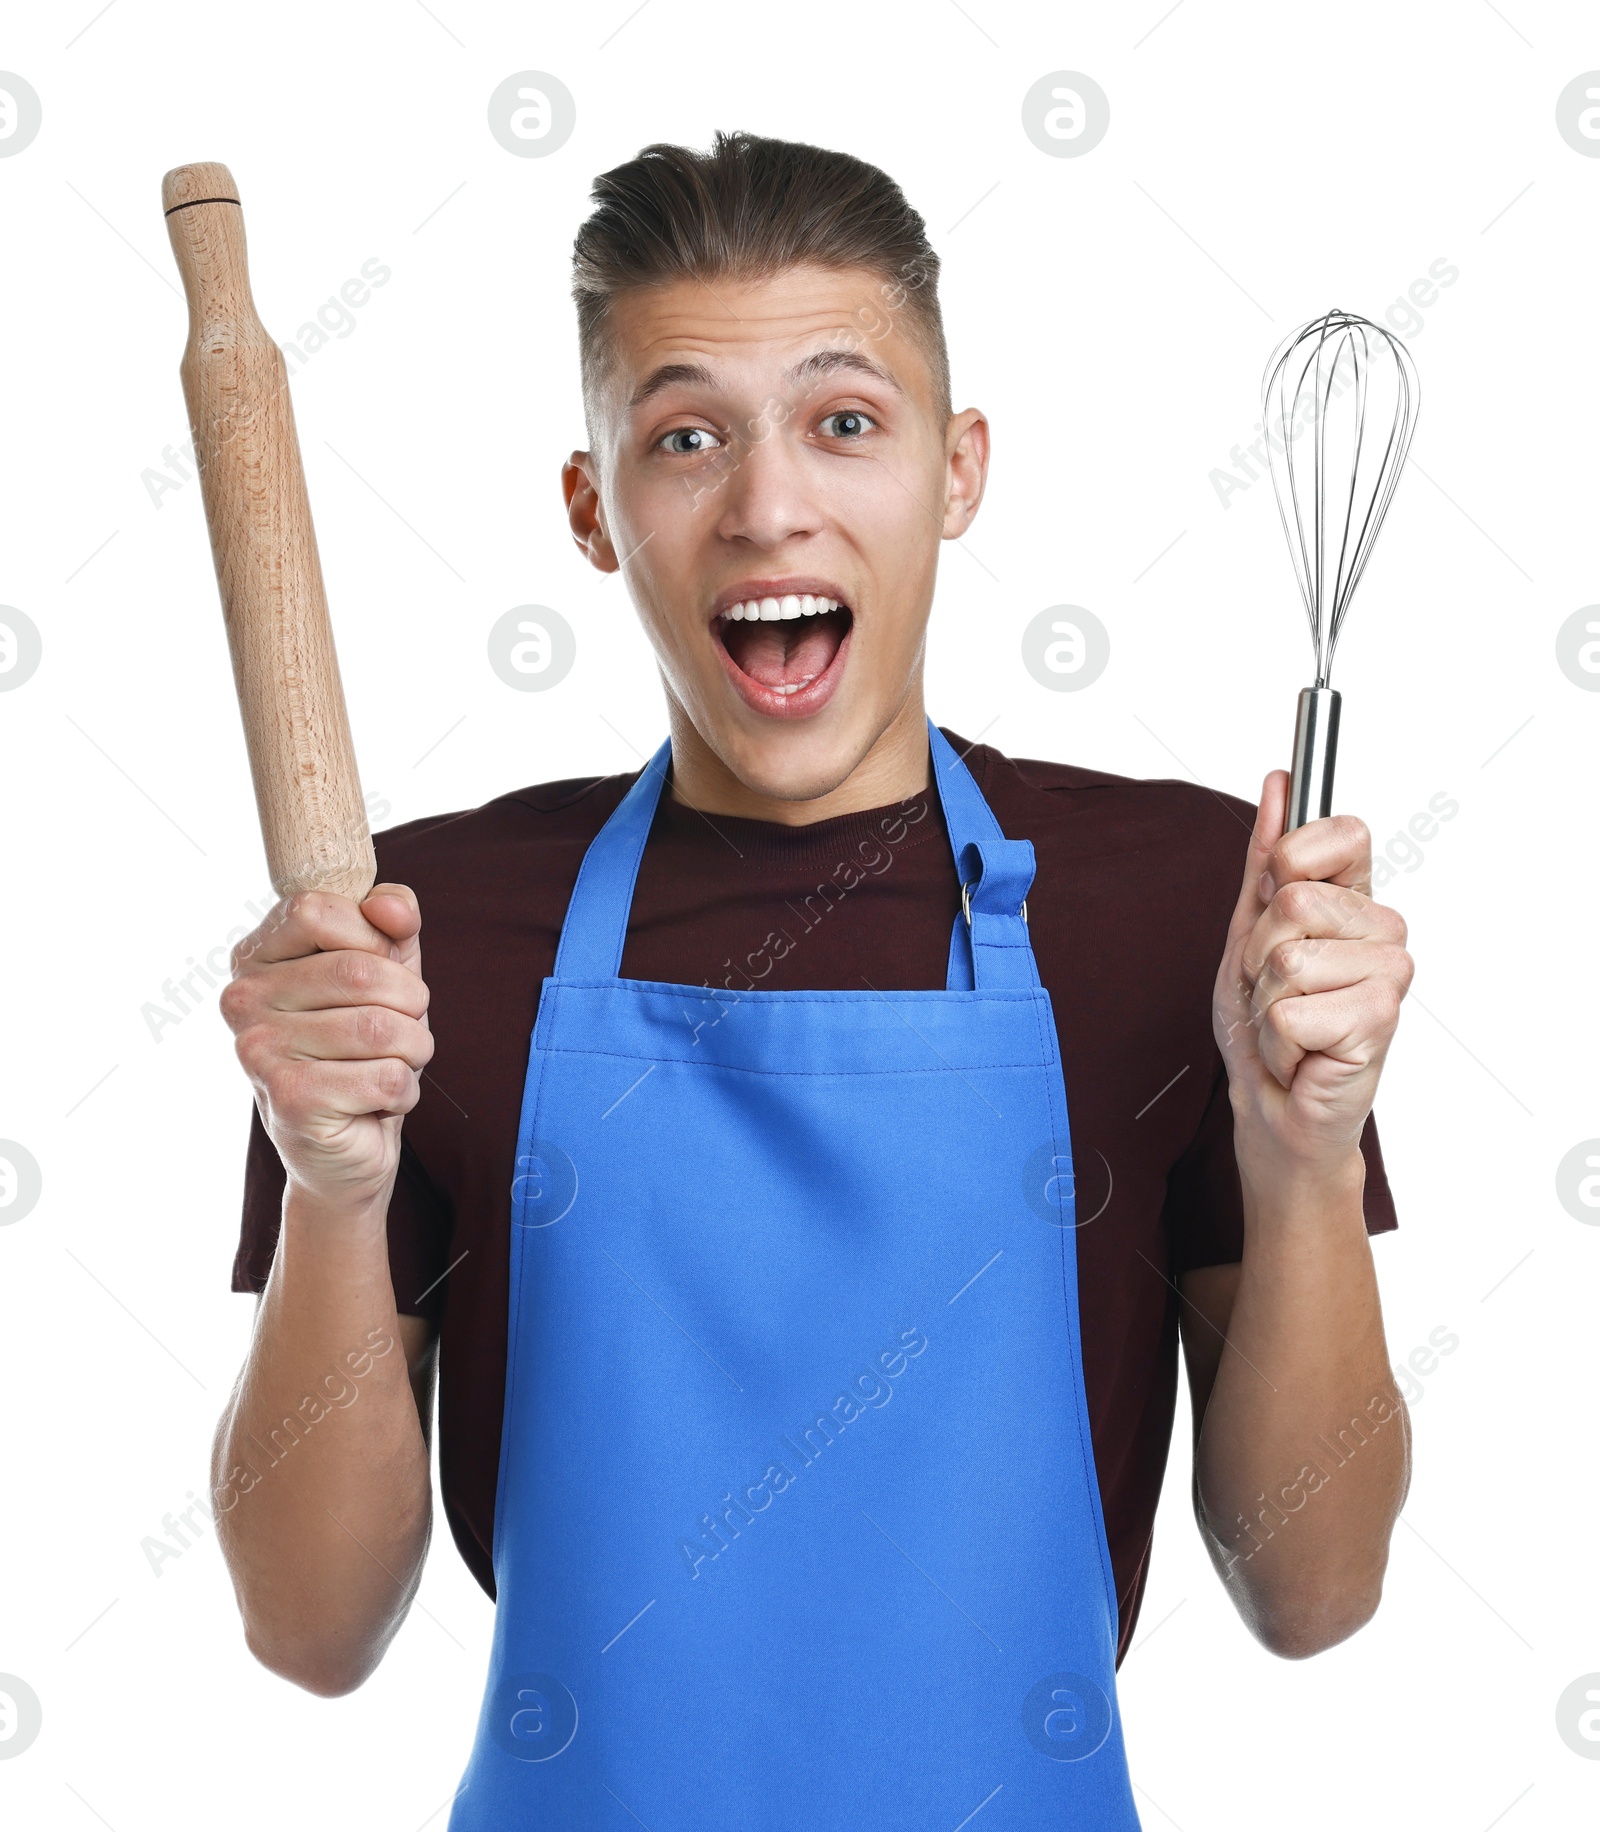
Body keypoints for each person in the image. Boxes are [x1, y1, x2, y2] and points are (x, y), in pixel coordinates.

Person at [219, 132, 1413, 1825]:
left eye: (845, 422)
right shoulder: (414, 936)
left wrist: (1300, 1156)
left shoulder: (1190, 922)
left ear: (958, 469)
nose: (768, 503)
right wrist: (331, 1188)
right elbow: (310, 1630)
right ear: (593, 507)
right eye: (685, 436)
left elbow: (1317, 1592)